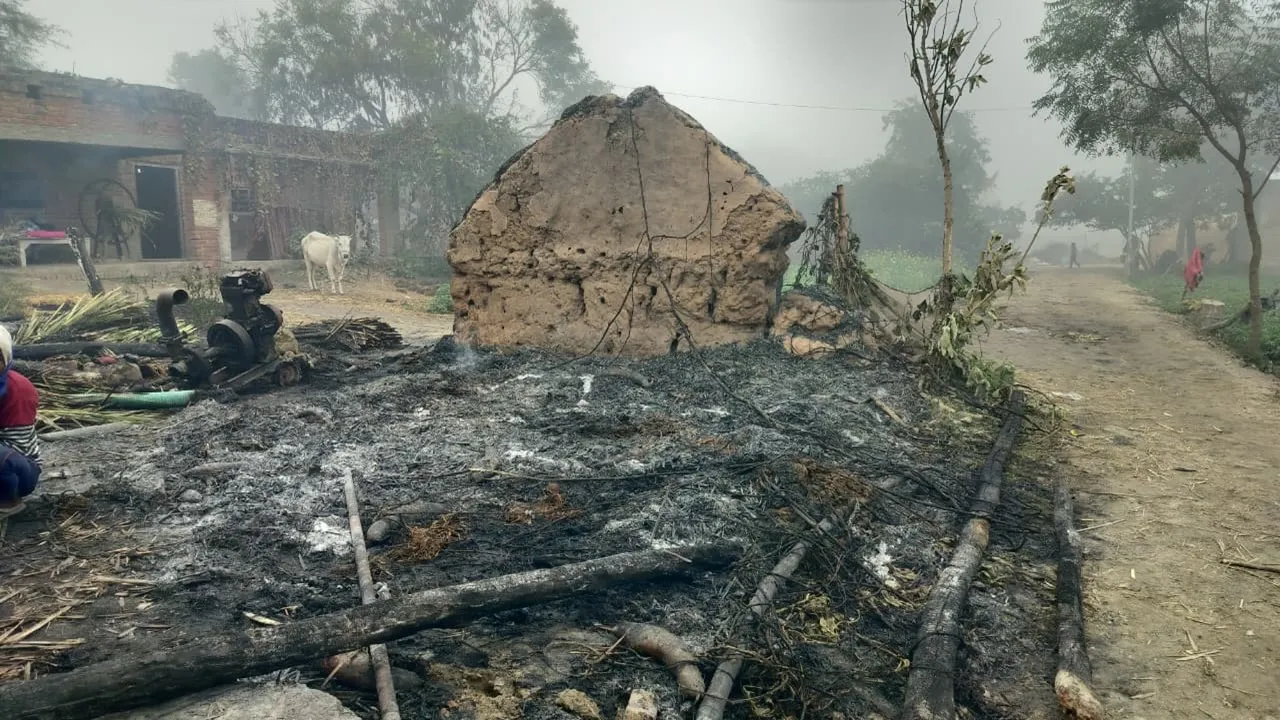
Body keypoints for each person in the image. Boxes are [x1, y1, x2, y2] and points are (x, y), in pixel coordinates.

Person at [0, 325, 41, 519]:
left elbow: (18, 446)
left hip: (19, 468)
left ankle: (10, 501)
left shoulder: (18, 389)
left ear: (5, 358)